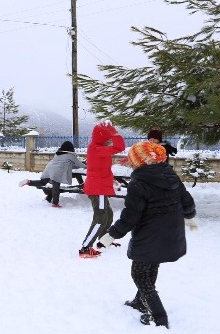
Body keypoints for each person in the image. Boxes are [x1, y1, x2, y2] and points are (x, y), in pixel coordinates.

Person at [98, 141, 197, 328]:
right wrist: (190, 216)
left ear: (138, 161)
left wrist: (111, 235)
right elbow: (187, 200)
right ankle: (139, 301)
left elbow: (130, 217)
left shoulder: (138, 183)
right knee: (150, 268)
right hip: (170, 234)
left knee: (139, 274)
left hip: (149, 236)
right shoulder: (170, 175)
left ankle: (159, 318)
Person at [79, 120, 126, 258]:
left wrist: (113, 179)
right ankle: (85, 248)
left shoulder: (98, 148)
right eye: (107, 139)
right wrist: (114, 132)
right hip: (97, 188)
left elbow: (102, 168)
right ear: (102, 138)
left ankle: (103, 240)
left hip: (100, 186)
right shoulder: (96, 148)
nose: (109, 141)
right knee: (100, 217)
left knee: (108, 214)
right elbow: (120, 146)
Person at [18, 141, 85, 208]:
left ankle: (29, 182)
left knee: (43, 182)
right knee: (56, 187)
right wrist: (88, 165)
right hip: (57, 172)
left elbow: (69, 164)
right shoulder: (70, 155)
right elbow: (79, 164)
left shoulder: (58, 153)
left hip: (49, 168)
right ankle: (55, 204)